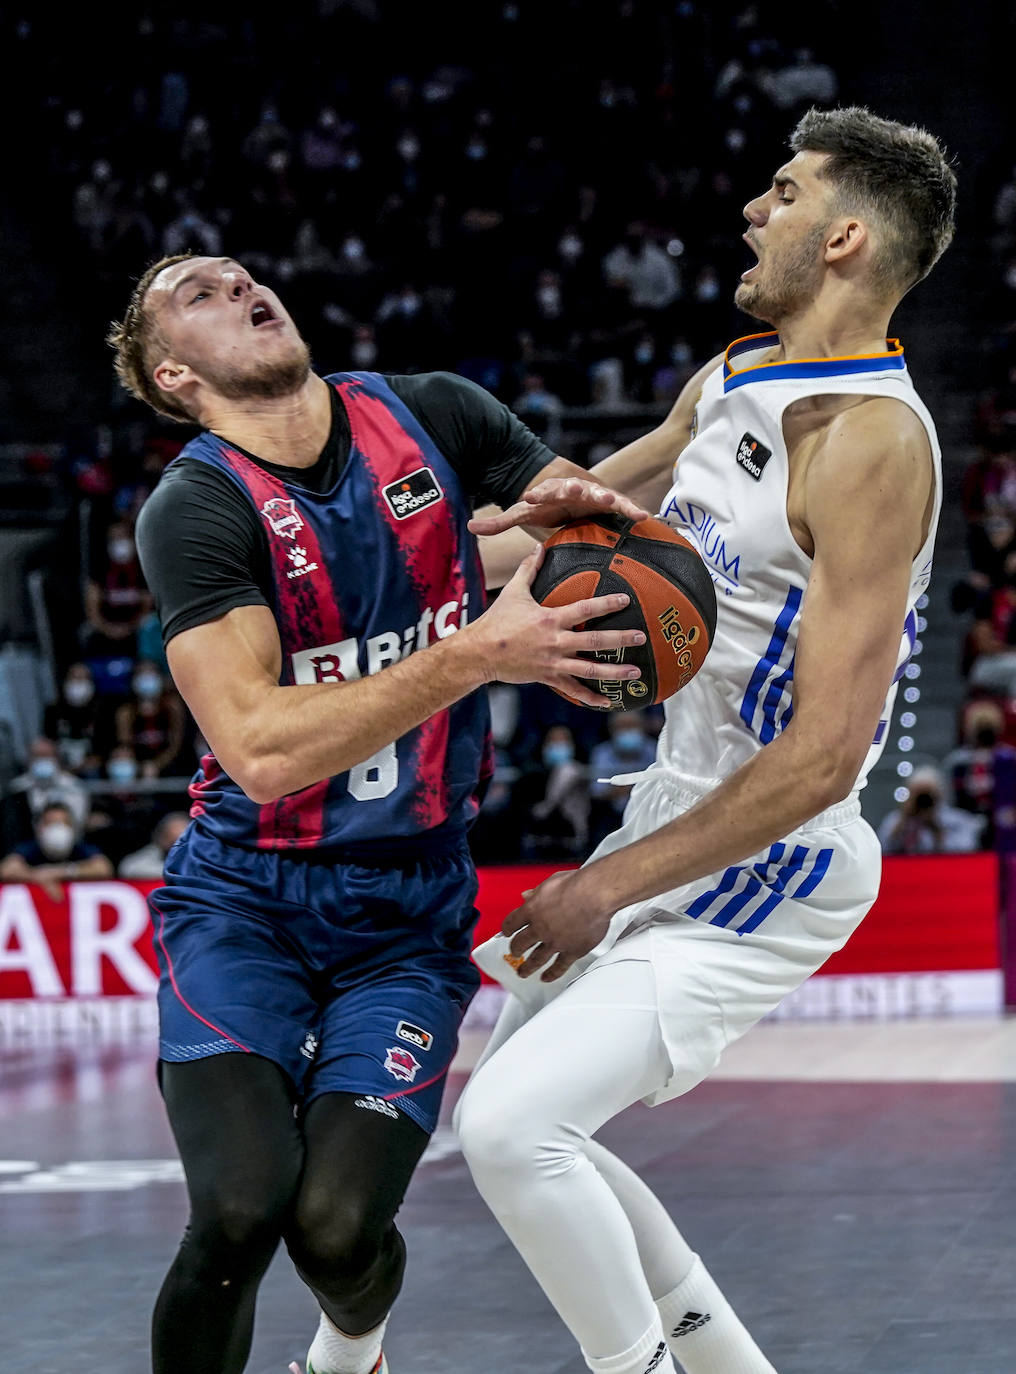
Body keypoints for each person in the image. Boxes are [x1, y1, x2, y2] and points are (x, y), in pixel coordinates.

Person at [456, 106, 955, 1374]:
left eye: (781, 194)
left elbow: (827, 757)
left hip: (773, 856)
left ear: (842, 237)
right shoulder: (734, 375)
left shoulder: (868, 443)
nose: (752, 208)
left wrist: (598, 888)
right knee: (513, 1132)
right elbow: (577, 517)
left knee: (518, 1132)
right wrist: (377, 573)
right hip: (671, 809)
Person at [106, 251, 654, 1374]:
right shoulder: (195, 508)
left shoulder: (432, 412)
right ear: (174, 376)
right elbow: (258, 750)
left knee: (338, 1231)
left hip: (408, 908)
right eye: (196, 293)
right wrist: (474, 655)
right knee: (238, 1215)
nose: (238, 285)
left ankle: (351, 1349)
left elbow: (554, 533)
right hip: (246, 900)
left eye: (239, 274)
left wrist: (626, 496)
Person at [0, 801, 112, 900]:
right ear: (39, 827)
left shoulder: (81, 847)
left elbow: (103, 868)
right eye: (51, 822)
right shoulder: (30, 848)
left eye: (64, 823)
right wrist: (39, 877)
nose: (58, 828)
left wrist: (60, 872)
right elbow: (7, 870)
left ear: (72, 827)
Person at [876, 765, 983, 855]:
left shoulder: (956, 820)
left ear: (939, 793)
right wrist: (903, 820)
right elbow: (881, 849)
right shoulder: (896, 820)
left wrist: (937, 830)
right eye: (918, 794)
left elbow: (968, 849)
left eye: (928, 794)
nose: (923, 800)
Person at [118, 811, 191, 879]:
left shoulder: (198, 856)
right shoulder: (147, 856)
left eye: (181, 840)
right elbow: (129, 868)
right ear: (160, 837)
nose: (176, 845)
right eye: (170, 838)